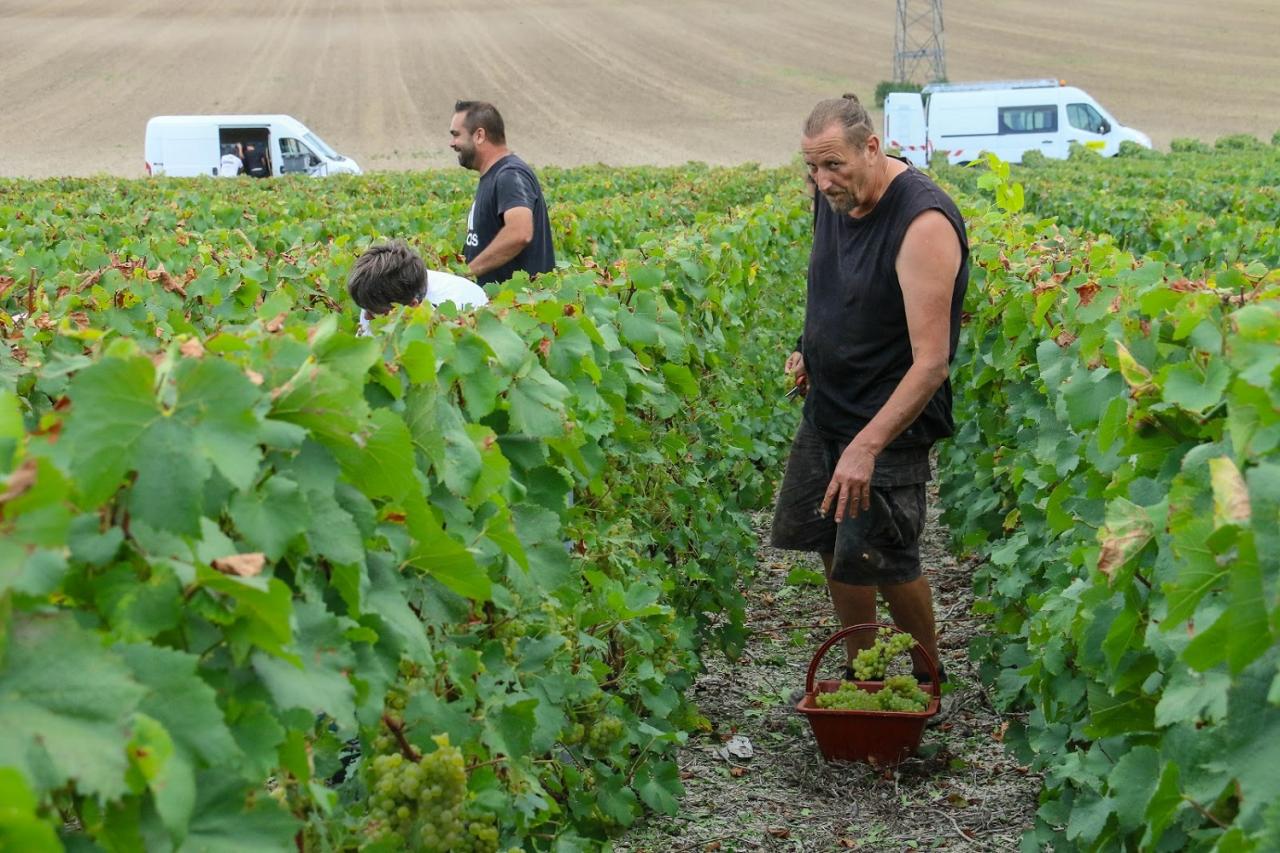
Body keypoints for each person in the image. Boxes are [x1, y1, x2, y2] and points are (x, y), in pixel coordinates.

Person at [771, 94, 969, 688]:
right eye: (812, 168)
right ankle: (864, 673)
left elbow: (932, 362)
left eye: (833, 165)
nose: (822, 181)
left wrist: (868, 446)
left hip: (889, 416)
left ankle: (924, 679)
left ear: (873, 148)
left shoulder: (923, 223)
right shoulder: (834, 195)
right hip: (829, 404)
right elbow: (830, 278)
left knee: (888, 556)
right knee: (834, 542)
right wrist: (810, 346)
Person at [449, 100, 555, 289]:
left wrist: (467, 273)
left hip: (516, 310)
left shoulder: (510, 174)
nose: (452, 143)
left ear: (479, 135)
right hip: (499, 309)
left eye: (456, 135)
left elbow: (520, 232)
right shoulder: (495, 176)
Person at [347, 239, 488, 335]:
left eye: (372, 312)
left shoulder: (458, 308)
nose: (366, 316)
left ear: (412, 306)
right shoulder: (374, 294)